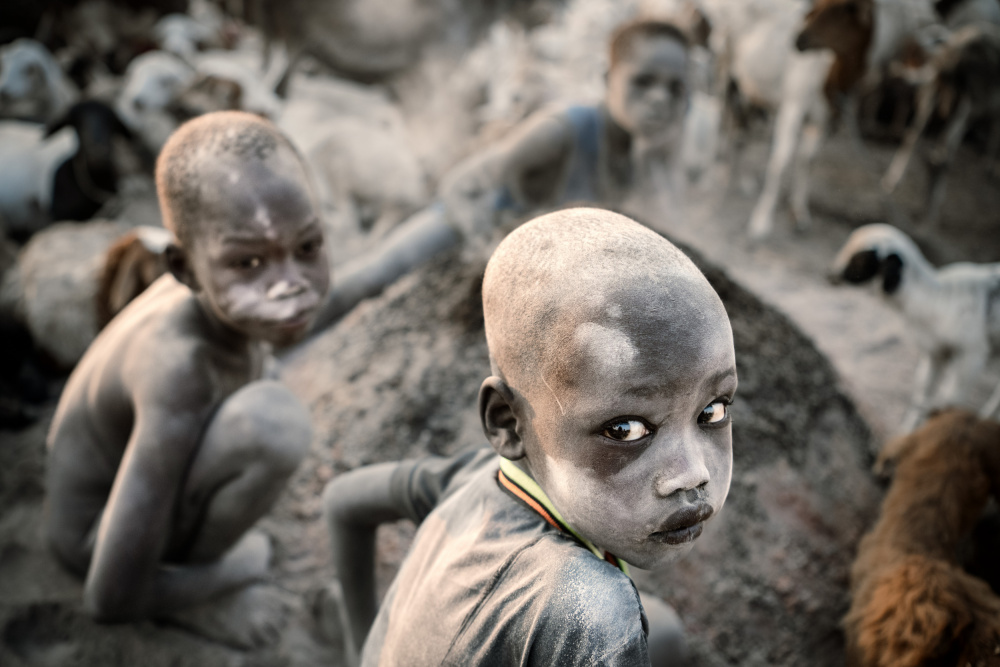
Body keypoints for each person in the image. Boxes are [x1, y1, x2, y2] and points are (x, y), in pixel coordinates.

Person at [321, 207, 737, 665]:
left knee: (663, 634)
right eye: (626, 430)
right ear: (508, 423)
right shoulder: (593, 613)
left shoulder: (470, 479)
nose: (691, 474)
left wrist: (358, 650)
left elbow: (344, 501)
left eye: (712, 411)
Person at [43, 111, 329, 648]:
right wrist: (239, 566)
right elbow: (107, 599)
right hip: (98, 540)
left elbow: (334, 294)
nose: (289, 286)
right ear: (184, 267)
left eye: (308, 248)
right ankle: (194, 583)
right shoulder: (180, 370)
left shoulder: (219, 299)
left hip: (141, 490)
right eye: (249, 263)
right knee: (273, 424)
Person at [308, 19, 692, 332]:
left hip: (528, 281)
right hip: (461, 230)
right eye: (643, 81)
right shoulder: (565, 129)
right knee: (369, 279)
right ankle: (280, 337)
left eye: (676, 89)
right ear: (609, 78)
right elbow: (462, 184)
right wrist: (482, 245)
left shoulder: (640, 166)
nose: (660, 99)